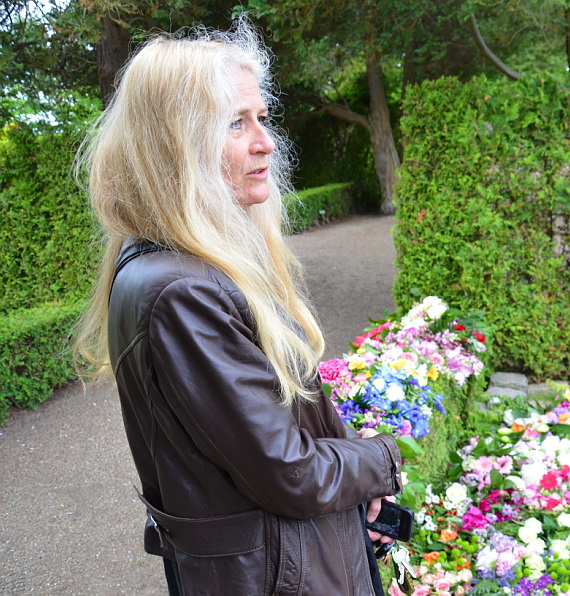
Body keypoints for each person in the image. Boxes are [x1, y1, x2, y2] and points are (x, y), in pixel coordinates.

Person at [74, 19, 402, 595]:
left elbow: (284, 426)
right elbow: (292, 473)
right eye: (235, 123)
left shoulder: (192, 265)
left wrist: (357, 480)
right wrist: (382, 461)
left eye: (262, 118)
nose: (265, 142)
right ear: (173, 146)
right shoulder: (183, 291)